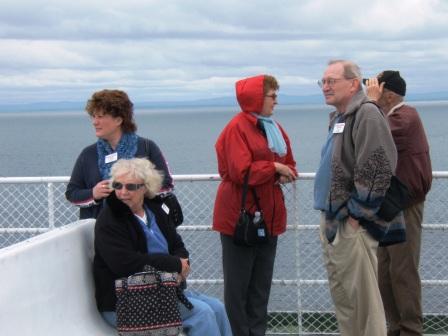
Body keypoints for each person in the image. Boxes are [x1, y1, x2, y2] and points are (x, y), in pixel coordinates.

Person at [314, 60, 405, 336]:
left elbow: (378, 167)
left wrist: (355, 217)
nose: (325, 87)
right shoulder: (341, 117)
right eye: (323, 82)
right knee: (346, 302)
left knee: (365, 307)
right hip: (334, 222)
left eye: (332, 81)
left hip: (351, 224)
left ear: (354, 84)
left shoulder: (367, 114)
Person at [93, 157, 232, 335]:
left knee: (217, 308)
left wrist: (183, 264)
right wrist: (174, 265)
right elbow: (125, 264)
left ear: (145, 188)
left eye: (131, 186)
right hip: (126, 301)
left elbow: (177, 244)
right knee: (202, 314)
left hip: (163, 291)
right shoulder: (110, 219)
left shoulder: (154, 210)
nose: (122, 192)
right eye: (118, 185)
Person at [213, 74, 298, 336]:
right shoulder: (237, 128)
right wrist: (274, 167)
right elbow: (241, 172)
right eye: (272, 96)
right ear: (256, 98)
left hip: (268, 218)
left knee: (260, 288)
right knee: (238, 290)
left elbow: (290, 163)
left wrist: (282, 169)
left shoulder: (272, 127)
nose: (276, 102)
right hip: (240, 219)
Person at [365, 71, 432, 336]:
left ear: (389, 94)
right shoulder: (394, 118)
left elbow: (369, 134)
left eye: (375, 88)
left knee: (402, 271)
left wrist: (368, 104)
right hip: (390, 205)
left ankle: (410, 330)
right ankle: (394, 328)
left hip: (404, 205)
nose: (370, 92)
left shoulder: (403, 119)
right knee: (385, 271)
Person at [65, 89, 174, 219]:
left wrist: (137, 191)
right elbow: (72, 193)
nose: (94, 122)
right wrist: (93, 193)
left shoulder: (146, 147)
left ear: (118, 120)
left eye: (100, 116)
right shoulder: (88, 154)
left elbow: (167, 184)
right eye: (93, 116)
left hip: (142, 227)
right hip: (101, 229)